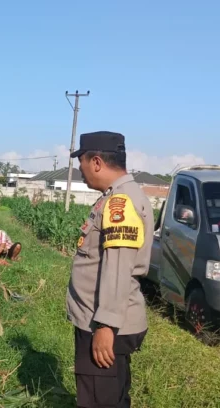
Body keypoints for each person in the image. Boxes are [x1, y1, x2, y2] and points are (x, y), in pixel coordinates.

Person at [66, 131, 154, 407]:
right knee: (112, 398)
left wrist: (106, 326)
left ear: (96, 162)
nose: (80, 169)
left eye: (81, 162)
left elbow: (118, 266)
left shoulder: (120, 202)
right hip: (102, 320)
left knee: (99, 402)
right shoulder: (116, 196)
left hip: (103, 325)